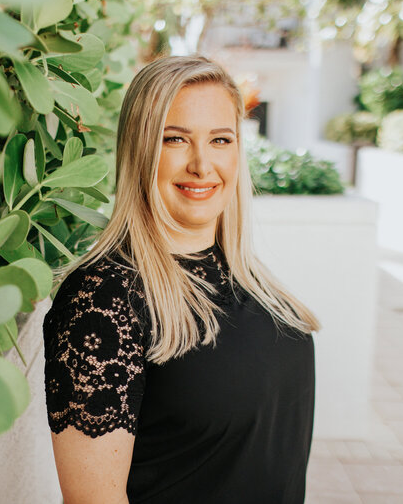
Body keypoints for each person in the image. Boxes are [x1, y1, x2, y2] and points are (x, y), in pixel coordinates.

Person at [42, 55, 321, 503]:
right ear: (141, 150)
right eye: (175, 139)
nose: (201, 164)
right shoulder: (104, 299)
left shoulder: (244, 277)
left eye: (220, 139)